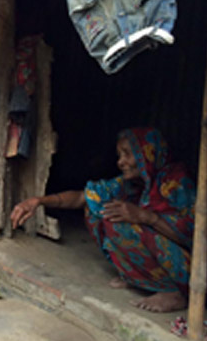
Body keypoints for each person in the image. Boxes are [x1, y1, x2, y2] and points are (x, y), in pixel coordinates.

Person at [10, 128, 195, 312]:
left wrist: (147, 217)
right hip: (163, 251)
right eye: (119, 155)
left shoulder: (178, 182)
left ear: (148, 153)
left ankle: (175, 293)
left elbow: (194, 238)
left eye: (127, 154)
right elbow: (83, 197)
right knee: (97, 210)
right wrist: (39, 201)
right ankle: (136, 277)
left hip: (189, 268)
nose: (120, 162)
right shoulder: (136, 182)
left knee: (122, 225)